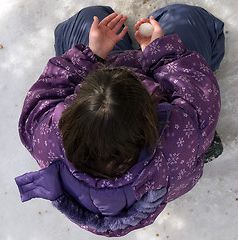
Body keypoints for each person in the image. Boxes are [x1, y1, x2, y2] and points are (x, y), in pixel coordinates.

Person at [15, 4, 225, 237]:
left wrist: (91, 54)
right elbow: (198, 93)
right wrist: (160, 52)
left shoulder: (47, 136)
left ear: (70, 116)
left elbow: (43, 95)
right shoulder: (178, 136)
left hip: (106, 62)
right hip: (176, 154)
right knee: (184, 18)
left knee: (87, 18)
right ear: (151, 122)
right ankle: (205, 143)